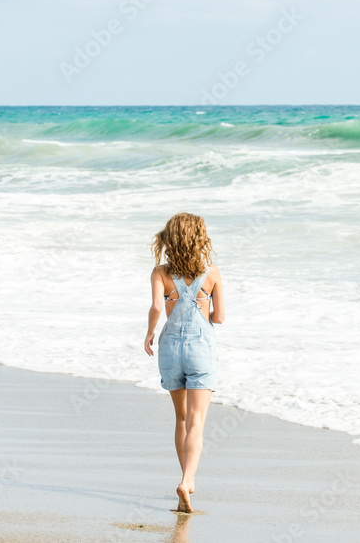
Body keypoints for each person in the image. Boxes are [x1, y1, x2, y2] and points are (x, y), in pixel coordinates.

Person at [144, 213, 225, 514]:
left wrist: (150, 333)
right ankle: (187, 480)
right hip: (200, 350)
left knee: (180, 418)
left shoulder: (160, 273)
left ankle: (185, 480)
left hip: (170, 348)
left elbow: (155, 307)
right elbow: (219, 317)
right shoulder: (212, 272)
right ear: (199, 240)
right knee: (197, 422)